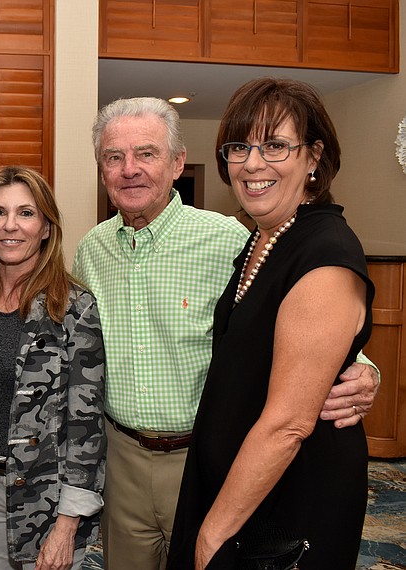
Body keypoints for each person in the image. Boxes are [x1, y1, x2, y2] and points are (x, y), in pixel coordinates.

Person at [71, 96, 381, 569]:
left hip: (208, 460)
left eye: (146, 154)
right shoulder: (91, 250)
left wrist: (363, 369)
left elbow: (309, 324)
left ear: (177, 163)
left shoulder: (232, 238)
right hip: (122, 458)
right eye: (114, 157)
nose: (129, 169)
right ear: (102, 169)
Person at [167, 77, 373, 569]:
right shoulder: (265, 237)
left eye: (276, 145)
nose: (252, 164)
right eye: (240, 147)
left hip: (288, 503)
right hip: (245, 485)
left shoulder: (324, 252)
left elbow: (287, 425)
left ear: (314, 157)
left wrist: (212, 532)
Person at [0, 166, 106, 570]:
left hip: (50, 498)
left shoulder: (73, 307)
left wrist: (67, 524)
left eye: (26, 213)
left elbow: (86, 423)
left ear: (45, 227)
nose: (10, 226)